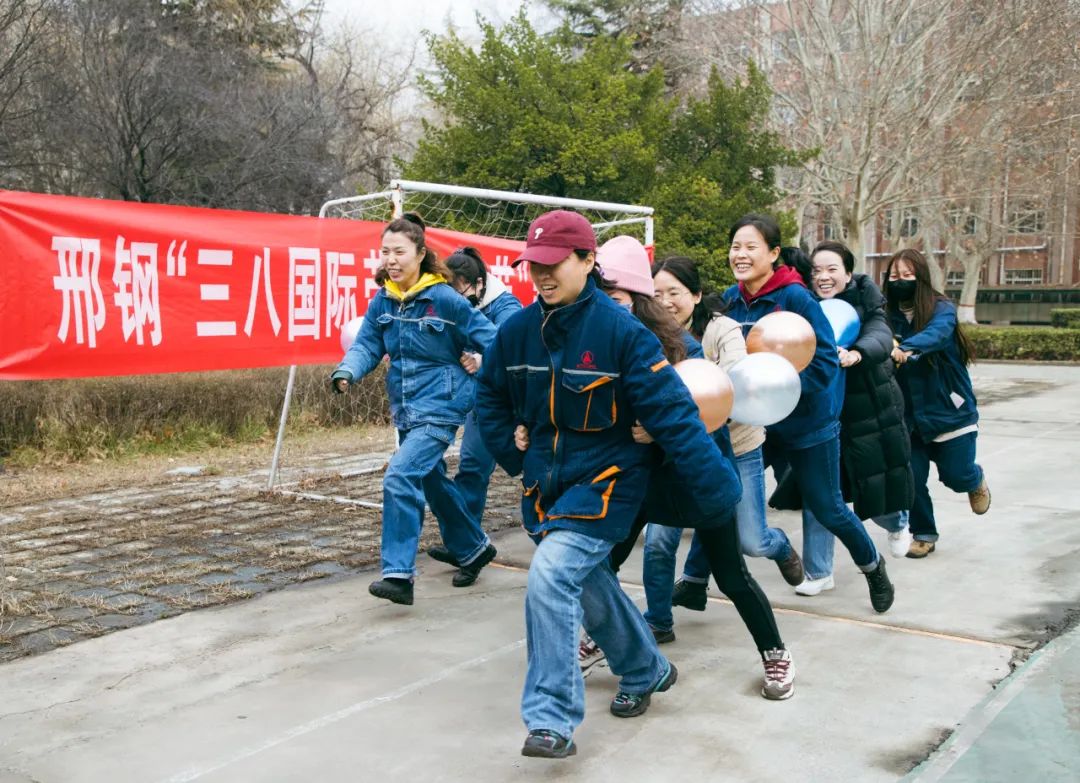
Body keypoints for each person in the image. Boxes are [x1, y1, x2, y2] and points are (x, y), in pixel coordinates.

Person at [476, 211, 742, 759]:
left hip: (606, 486)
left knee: (552, 575)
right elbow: (490, 396)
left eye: (553, 264)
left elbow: (673, 414)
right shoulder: (517, 332)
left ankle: (550, 718)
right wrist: (512, 449)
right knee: (590, 581)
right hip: (544, 487)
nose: (541, 275)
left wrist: (718, 491)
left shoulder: (623, 333)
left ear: (587, 261)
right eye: (534, 265)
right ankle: (645, 668)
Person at [595, 236, 795, 701]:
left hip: (698, 474)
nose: (609, 308)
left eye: (617, 299)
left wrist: (659, 430)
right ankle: (608, 638)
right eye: (603, 299)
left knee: (732, 576)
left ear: (636, 299)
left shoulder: (681, 346)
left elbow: (703, 409)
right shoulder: (600, 338)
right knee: (600, 566)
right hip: (640, 476)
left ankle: (776, 653)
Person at [722, 214, 895, 613]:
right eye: (735, 247)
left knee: (828, 506)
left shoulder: (796, 299)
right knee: (727, 496)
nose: (740, 254)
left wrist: (781, 391)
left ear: (773, 254)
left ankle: (873, 566)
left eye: (750, 247)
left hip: (808, 423)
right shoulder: (730, 301)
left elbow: (824, 362)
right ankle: (695, 582)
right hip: (755, 424)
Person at [332, 214, 499, 605]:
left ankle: (398, 575)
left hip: (442, 405)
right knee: (431, 480)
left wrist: (480, 362)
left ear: (421, 254)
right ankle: (474, 547)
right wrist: (347, 371)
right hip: (407, 408)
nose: (391, 259)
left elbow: (494, 340)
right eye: (385, 251)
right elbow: (367, 344)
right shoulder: (384, 300)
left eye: (399, 252)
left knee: (400, 476)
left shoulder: (444, 299)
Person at [647, 256, 804, 618]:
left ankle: (780, 546)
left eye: (674, 292)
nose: (665, 302)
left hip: (736, 445)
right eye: (656, 294)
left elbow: (732, 383)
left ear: (696, 295)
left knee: (751, 540)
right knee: (658, 542)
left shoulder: (723, 330)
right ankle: (658, 621)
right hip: (676, 451)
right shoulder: (646, 333)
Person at [781, 240, 916, 595]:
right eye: (817, 271)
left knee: (875, 485)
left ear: (848, 273)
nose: (823, 277)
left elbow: (880, 335)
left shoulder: (867, 298)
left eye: (832, 270)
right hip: (823, 412)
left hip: (867, 409)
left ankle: (898, 522)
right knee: (819, 493)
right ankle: (818, 572)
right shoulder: (804, 304)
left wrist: (857, 353)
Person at [883, 248, 990, 558]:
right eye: (894, 276)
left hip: (948, 410)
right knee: (912, 480)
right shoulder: (884, 313)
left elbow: (937, 334)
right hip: (908, 415)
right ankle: (924, 533)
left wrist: (905, 348)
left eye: (907, 275)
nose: (900, 281)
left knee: (957, 476)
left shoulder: (941, 308)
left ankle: (974, 479)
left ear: (921, 277)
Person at [425, 247, 523, 582]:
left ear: (479, 284)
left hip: (510, 404)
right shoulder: (455, 305)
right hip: (479, 399)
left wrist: (482, 361)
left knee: (529, 471)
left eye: (459, 290)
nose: (455, 299)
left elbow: (514, 351)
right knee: (469, 469)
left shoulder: (506, 308)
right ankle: (466, 547)